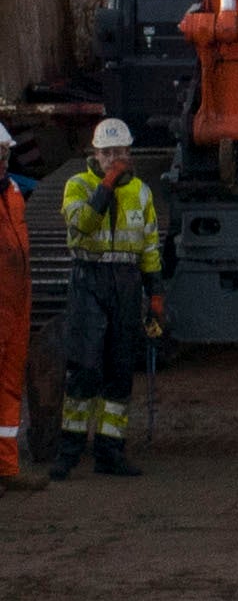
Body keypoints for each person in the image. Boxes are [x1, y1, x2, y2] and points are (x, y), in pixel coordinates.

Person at [58, 116, 160, 479]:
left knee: (119, 372)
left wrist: (156, 293)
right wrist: (106, 186)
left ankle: (109, 453)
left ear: (130, 153)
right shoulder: (77, 186)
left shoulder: (143, 193)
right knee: (84, 369)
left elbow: (149, 244)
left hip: (127, 284)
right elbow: (83, 224)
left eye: (121, 152)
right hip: (89, 280)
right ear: (95, 154)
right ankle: (67, 453)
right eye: (107, 153)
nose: (115, 158)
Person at [0, 137, 35, 492]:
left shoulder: (11, 192)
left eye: (5, 153)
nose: (3, 159)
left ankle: (7, 468)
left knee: (10, 387)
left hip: (16, 304)